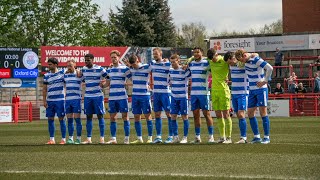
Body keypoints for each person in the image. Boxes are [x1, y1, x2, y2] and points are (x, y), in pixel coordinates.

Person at [235, 49, 273, 144]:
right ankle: (257, 136)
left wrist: (265, 81)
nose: (242, 62)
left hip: (261, 89)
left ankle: (266, 137)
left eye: (241, 60)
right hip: (251, 90)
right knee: (250, 113)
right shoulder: (246, 60)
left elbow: (270, 68)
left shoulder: (256, 59)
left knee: (263, 112)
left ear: (244, 56)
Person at [186, 47, 215, 144]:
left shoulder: (207, 62)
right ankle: (197, 137)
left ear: (202, 53)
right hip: (194, 93)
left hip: (204, 93)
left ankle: (211, 136)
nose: (196, 54)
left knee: (207, 114)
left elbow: (214, 68)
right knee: (195, 115)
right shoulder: (191, 63)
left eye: (197, 52)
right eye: (194, 53)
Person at [104, 50, 131, 144]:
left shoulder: (125, 69)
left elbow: (132, 78)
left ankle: (127, 138)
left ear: (118, 57)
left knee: (125, 116)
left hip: (122, 97)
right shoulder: (109, 70)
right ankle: (113, 138)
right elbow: (107, 83)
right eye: (112, 57)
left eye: (115, 57)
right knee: (112, 117)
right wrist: (101, 85)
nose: (113, 59)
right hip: (112, 97)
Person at [80, 54, 108, 144]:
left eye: (88, 60)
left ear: (92, 60)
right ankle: (89, 139)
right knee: (88, 116)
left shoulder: (100, 68)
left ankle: (102, 138)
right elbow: (82, 79)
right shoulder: (83, 69)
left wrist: (104, 85)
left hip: (98, 96)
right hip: (88, 96)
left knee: (100, 116)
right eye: (85, 60)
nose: (86, 62)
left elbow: (108, 77)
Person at [208, 48, 232, 144]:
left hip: (223, 91)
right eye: (211, 59)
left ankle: (229, 138)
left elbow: (235, 60)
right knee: (218, 114)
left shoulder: (224, 60)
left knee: (226, 114)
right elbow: (195, 57)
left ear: (216, 54)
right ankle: (222, 137)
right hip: (214, 91)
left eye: (213, 58)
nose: (212, 60)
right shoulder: (209, 60)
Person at [224, 51, 249, 144]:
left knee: (241, 114)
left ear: (233, 58)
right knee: (238, 115)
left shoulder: (243, 63)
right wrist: (229, 81)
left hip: (243, 92)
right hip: (234, 93)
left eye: (230, 62)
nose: (229, 64)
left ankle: (244, 137)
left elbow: (252, 55)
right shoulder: (231, 65)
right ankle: (242, 137)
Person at [128, 54, 153, 144]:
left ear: (138, 60)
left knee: (147, 116)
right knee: (136, 116)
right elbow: (129, 76)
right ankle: (139, 138)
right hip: (135, 95)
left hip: (145, 95)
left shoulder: (147, 67)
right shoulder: (131, 69)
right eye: (132, 65)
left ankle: (150, 137)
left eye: (134, 64)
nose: (133, 66)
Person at [150, 48, 173, 144]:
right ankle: (158, 136)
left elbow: (175, 70)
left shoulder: (167, 64)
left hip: (165, 93)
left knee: (169, 114)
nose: (155, 55)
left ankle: (171, 136)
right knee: (157, 114)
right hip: (156, 93)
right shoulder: (152, 64)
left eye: (156, 54)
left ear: (161, 54)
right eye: (153, 54)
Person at [43, 57, 67, 145]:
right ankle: (52, 139)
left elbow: (73, 71)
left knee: (62, 119)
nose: (48, 66)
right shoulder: (46, 75)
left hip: (60, 100)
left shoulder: (62, 73)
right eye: (48, 64)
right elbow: (44, 89)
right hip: (50, 100)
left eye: (50, 64)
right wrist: (44, 100)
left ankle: (63, 139)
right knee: (50, 119)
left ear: (56, 64)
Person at [168, 54, 191, 143]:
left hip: (183, 97)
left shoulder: (184, 70)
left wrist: (187, 67)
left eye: (174, 62)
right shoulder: (170, 71)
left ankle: (185, 137)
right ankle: (176, 137)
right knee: (173, 116)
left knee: (184, 116)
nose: (172, 64)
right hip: (173, 97)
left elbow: (191, 76)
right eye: (171, 62)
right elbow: (169, 81)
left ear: (178, 61)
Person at [64, 60, 83, 144]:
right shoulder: (65, 75)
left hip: (76, 99)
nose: (69, 67)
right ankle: (70, 138)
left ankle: (78, 138)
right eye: (68, 66)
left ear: (75, 65)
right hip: (68, 99)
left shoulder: (79, 75)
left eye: (71, 65)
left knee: (77, 119)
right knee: (69, 120)